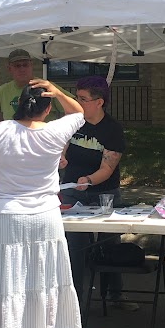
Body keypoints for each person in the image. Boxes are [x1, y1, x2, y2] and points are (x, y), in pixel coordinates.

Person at [0, 80, 86, 328]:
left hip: (11, 213)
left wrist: (1, 177)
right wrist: (58, 91)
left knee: (10, 279)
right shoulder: (54, 132)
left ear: (18, 104)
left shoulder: (1, 130)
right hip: (47, 215)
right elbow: (80, 112)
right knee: (43, 276)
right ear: (47, 108)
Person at [59, 76, 135, 310]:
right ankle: (75, 302)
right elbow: (61, 147)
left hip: (104, 193)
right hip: (71, 192)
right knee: (75, 246)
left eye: (82, 99)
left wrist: (89, 180)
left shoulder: (112, 130)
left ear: (99, 102)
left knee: (109, 245)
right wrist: (60, 158)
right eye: (76, 97)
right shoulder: (73, 122)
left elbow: (107, 168)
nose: (77, 102)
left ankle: (114, 294)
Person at [0, 49, 63, 125]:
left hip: (42, 135)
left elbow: (73, 106)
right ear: (9, 69)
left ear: (31, 66)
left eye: (25, 65)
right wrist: (1, 125)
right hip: (13, 136)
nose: (22, 69)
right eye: (17, 66)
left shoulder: (46, 87)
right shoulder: (2, 91)